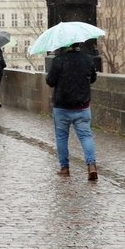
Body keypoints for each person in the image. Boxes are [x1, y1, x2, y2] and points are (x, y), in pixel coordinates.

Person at [45, 42, 98, 179]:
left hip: (62, 106)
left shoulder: (59, 60)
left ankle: (65, 168)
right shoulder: (87, 59)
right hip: (82, 106)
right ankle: (91, 165)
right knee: (86, 136)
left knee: (62, 137)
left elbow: (50, 81)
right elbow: (92, 78)